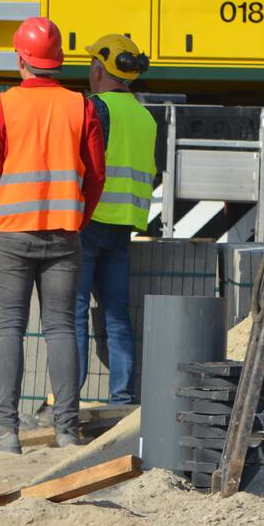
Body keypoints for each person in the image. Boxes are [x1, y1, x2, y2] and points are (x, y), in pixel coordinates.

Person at [0, 17, 106, 453]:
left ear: (21, 58)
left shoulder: (2, 106)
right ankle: (66, 431)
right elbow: (96, 176)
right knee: (62, 328)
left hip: (10, 233)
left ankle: (5, 433)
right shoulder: (81, 106)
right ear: (58, 60)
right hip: (63, 234)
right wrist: (78, 219)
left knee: (8, 329)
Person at [75, 34, 156, 404]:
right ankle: (121, 398)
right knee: (117, 315)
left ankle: (69, 398)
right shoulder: (145, 116)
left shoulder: (94, 108)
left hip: (89, 222)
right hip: (123, 227)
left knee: (75, 313)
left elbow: (82, 166)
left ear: (99, 69)